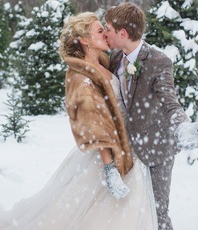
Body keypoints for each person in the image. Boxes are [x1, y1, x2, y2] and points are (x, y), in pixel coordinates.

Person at [0, 12, 158, 230]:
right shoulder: (80, 77)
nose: (105, 33)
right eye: (99, 31)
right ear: (85, 40)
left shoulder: (107, 64)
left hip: (125, 146)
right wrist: (109, 168)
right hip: (107, 153)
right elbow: (92, 124)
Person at [104, 2, 198, 230]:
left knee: (158, 211)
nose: (105, 33)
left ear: (122, 33)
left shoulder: (159, 62)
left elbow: (169, 100)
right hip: (129, 147)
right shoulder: (116, 57)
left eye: (108, 28)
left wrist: (182, 126)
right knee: (132, 209)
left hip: (159, 147)